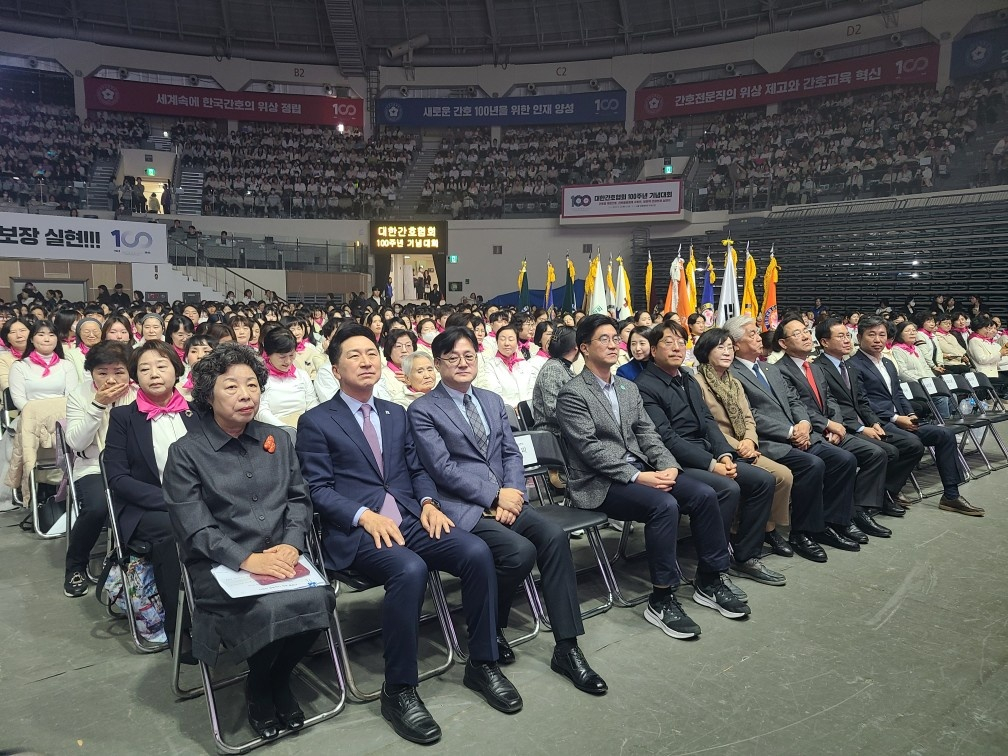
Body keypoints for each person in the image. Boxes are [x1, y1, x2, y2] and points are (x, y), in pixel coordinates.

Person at [296, 325, 515, 745]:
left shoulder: (395, 413)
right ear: (335, 368)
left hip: (411, 519)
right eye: (354, 355)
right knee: (410, 569)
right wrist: (363, 515)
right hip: (359, 531)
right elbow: (317, 490)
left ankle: (482, 663)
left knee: (475, 551)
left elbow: (417, 470)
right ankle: (399, 690)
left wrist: (429, 503)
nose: (366, 361)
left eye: (371, 354)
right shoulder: (317, 421)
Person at [408, 327, 608, 695]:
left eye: (469, 356)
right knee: (518, 553)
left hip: (507, 498)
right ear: (437, 364)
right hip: (464, 507)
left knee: (553, 537)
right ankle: (488, 629)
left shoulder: (491, 400)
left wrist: (513, 492)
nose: (462, 363)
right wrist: (494, 496)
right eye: (452, 358)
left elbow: (511, 452)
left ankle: (567, 647)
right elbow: (442, 469)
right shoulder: (423, 409)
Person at [162, 343, 335, 740]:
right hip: (220, 565)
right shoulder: (186, 453)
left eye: (253, 385)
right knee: (268, 608)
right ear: (208, 396)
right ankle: (259, 685)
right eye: (232, 387)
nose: (246, 395)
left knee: (319, 598)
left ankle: (278, 677)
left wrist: (292, 543)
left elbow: (298, 499)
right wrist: (247, 560)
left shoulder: (278, 439)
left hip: (281, 556)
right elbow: (195, 528)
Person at [556, 314, 750, 641]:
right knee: (664, 505)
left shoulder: (626, 387)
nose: (613, 344)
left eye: (614, 338)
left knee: (705, 494)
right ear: (584, 348)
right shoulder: (573, 393)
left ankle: (710, 578)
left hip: (644, 469)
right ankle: (662, 597)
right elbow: (590, 450)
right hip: (599, 482)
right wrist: (637, 476)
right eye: (603, 339)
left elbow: (648, 434)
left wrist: (668, 465)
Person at [635, 321, 782, 586]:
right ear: (653, 350)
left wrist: (724, 455)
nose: (677, 347)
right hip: (676, 461)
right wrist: (712, 464)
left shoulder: (687, 378)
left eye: (681, 342)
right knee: (727, 488)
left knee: (763, 480)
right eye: (668, 342)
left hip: (707, 452)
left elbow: (708, 421)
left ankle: (745, 555)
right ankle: (713, 567)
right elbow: (666, 438)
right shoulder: (644, 386)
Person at [724, 316, 856, 562]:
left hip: (799, 433)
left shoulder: (769, 368)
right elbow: (750, 415)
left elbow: (794, 401)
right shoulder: (732, 373)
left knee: (843, 459)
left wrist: (804, 424)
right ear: (735, 344)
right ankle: (803, 532)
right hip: (770, 441)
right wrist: (790, 432)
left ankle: (832, 522)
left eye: (757, 333)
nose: (759, 337)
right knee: (812, 465)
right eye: (752, 334)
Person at [104, 340, 201, 641]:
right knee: (175, 530)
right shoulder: (123, 418)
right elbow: (117, 478)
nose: (154, 374)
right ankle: (181, 629)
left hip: (199, 500)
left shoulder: (198, 412)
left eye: (161, 366)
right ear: (135, 376)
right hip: (148, 508)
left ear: (176, 370)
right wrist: (171, 501)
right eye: (145, 369)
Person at [772, 315, 892, 541]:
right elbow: (796, 407)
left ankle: (855, 512)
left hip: (830, 429)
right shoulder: (780, 370)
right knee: (844, 460)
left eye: (805, 331)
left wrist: (836, 424)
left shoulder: (814, 368)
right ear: (783, 343)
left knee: (876, 453)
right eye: (797, 333)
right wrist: (827, 425)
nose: (805, 336)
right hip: (810, 432)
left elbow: (830, 400)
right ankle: (835, 520)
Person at [851, 316, 982, 516]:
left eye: (882, 335)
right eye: (871, 335)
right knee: (913, 444)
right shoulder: (853, 365)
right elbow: (863, 402)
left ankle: (951, 495)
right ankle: (887, 491)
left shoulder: (887, 363)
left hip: (901, 419)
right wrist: (896, 419)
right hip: (878, 423)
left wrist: (910, 414)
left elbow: (898, 394)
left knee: (945, 434)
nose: (877, 340)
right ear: (860, 337)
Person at [692, 328, 796, 558]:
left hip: (745, 445)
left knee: (784, 476)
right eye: (720, 347)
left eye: (730, 347)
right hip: (720, 448)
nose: (727, 352)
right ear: (706, 351)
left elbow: (749, 417)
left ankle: (767, 528)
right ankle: (744, 532)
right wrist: (738, 446)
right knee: (766, 478)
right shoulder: (697, 382)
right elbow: (708, 426)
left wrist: (749, 440)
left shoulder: (734, 382)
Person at [813, 318, 915, 516]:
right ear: (824, 342)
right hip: (843, 426)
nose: (847, 340)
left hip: (861, 423)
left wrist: (874, 422)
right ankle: (861, 508)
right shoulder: (819, 368)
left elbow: (861, 401)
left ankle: (881, 495)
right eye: (840, 336)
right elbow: (832, 406)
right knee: (885, 452)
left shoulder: (848, 366)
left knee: (910, 446)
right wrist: (860, 428)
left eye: (847, 335)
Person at [63, 342, 137, 596]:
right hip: (93, 466)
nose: (111, 379)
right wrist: (97, 406)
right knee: (97, 507)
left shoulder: (138, 393)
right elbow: (76, 443)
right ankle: (75, 566)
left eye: (119, 372)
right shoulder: (80, 394)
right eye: (102, 373)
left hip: (133, 467)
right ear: (92, 372)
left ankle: (137, 561)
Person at [8, 319, 79, 411]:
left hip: (62, 414)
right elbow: (18, 400)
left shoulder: (67, 365)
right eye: (41, 335)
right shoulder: (20, 366)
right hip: (30, 414)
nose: (46, 339)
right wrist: (39, 414)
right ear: (31, 339)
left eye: (51, 335)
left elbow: (71, 397)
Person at [257, 326, 317, 427]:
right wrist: (286, 429)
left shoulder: (302, 375)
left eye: (292, 355)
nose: (288, 361)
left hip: (304, 425)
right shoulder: (261, 378)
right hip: (274, 427)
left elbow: (312, 404)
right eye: (282, 357)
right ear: (268, 354)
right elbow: (261, 411)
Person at [531, 325, 579, 437]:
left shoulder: (562, 367)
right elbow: (552, 410)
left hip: (568, 432)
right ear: (576, 348)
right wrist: (584, 417)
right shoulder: (552, 369)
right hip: (553, 435)